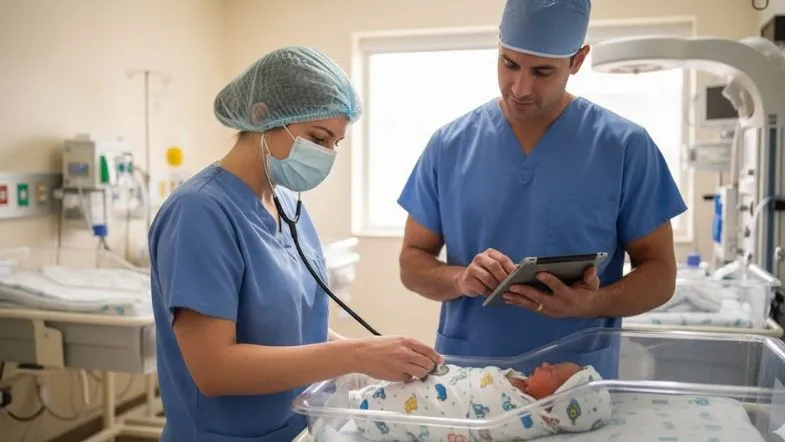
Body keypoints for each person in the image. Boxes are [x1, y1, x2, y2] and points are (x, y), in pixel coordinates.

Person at [148, 46, 443, 442]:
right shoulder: (198, 212)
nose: (327, 154)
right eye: (318, 138)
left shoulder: (287, 205)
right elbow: (214, 369)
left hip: (297, 429)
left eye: (336, 143)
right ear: (263, 117)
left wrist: (378, 355)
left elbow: (299, 330)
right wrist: (356, 356)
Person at [397, 0, 687, 367]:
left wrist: (591, 303)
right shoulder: (449, 145)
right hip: (469, 377)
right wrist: (459, 279)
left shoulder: (625, 147)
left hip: (577, 379)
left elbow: (661, 273)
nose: (520, 87)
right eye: (510, 64)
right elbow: (412, 263)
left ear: (577, 61)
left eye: (542, 72)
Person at [349, 362, 611, 441]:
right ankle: (363, 396)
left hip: (440, 408)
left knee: (402, 402)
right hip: (448, 383)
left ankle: (365, 407)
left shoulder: (525, 417)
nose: (544, 363)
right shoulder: (522, 386)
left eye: (551, 371)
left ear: (552, 406)